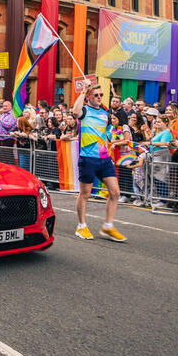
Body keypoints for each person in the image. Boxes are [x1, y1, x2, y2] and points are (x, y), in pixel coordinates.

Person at [71, 80, 126, 242]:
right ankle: (81, 226)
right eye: (96, 95)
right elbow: (75, 111)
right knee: (85, 193)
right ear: (89, 97)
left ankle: (108, 226)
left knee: (115, 192)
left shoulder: (104, 113)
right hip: (88, 158)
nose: (100, 97)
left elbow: (108, 131)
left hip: (104, 158)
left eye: (101, 95)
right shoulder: (85, 111)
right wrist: (84, 90)